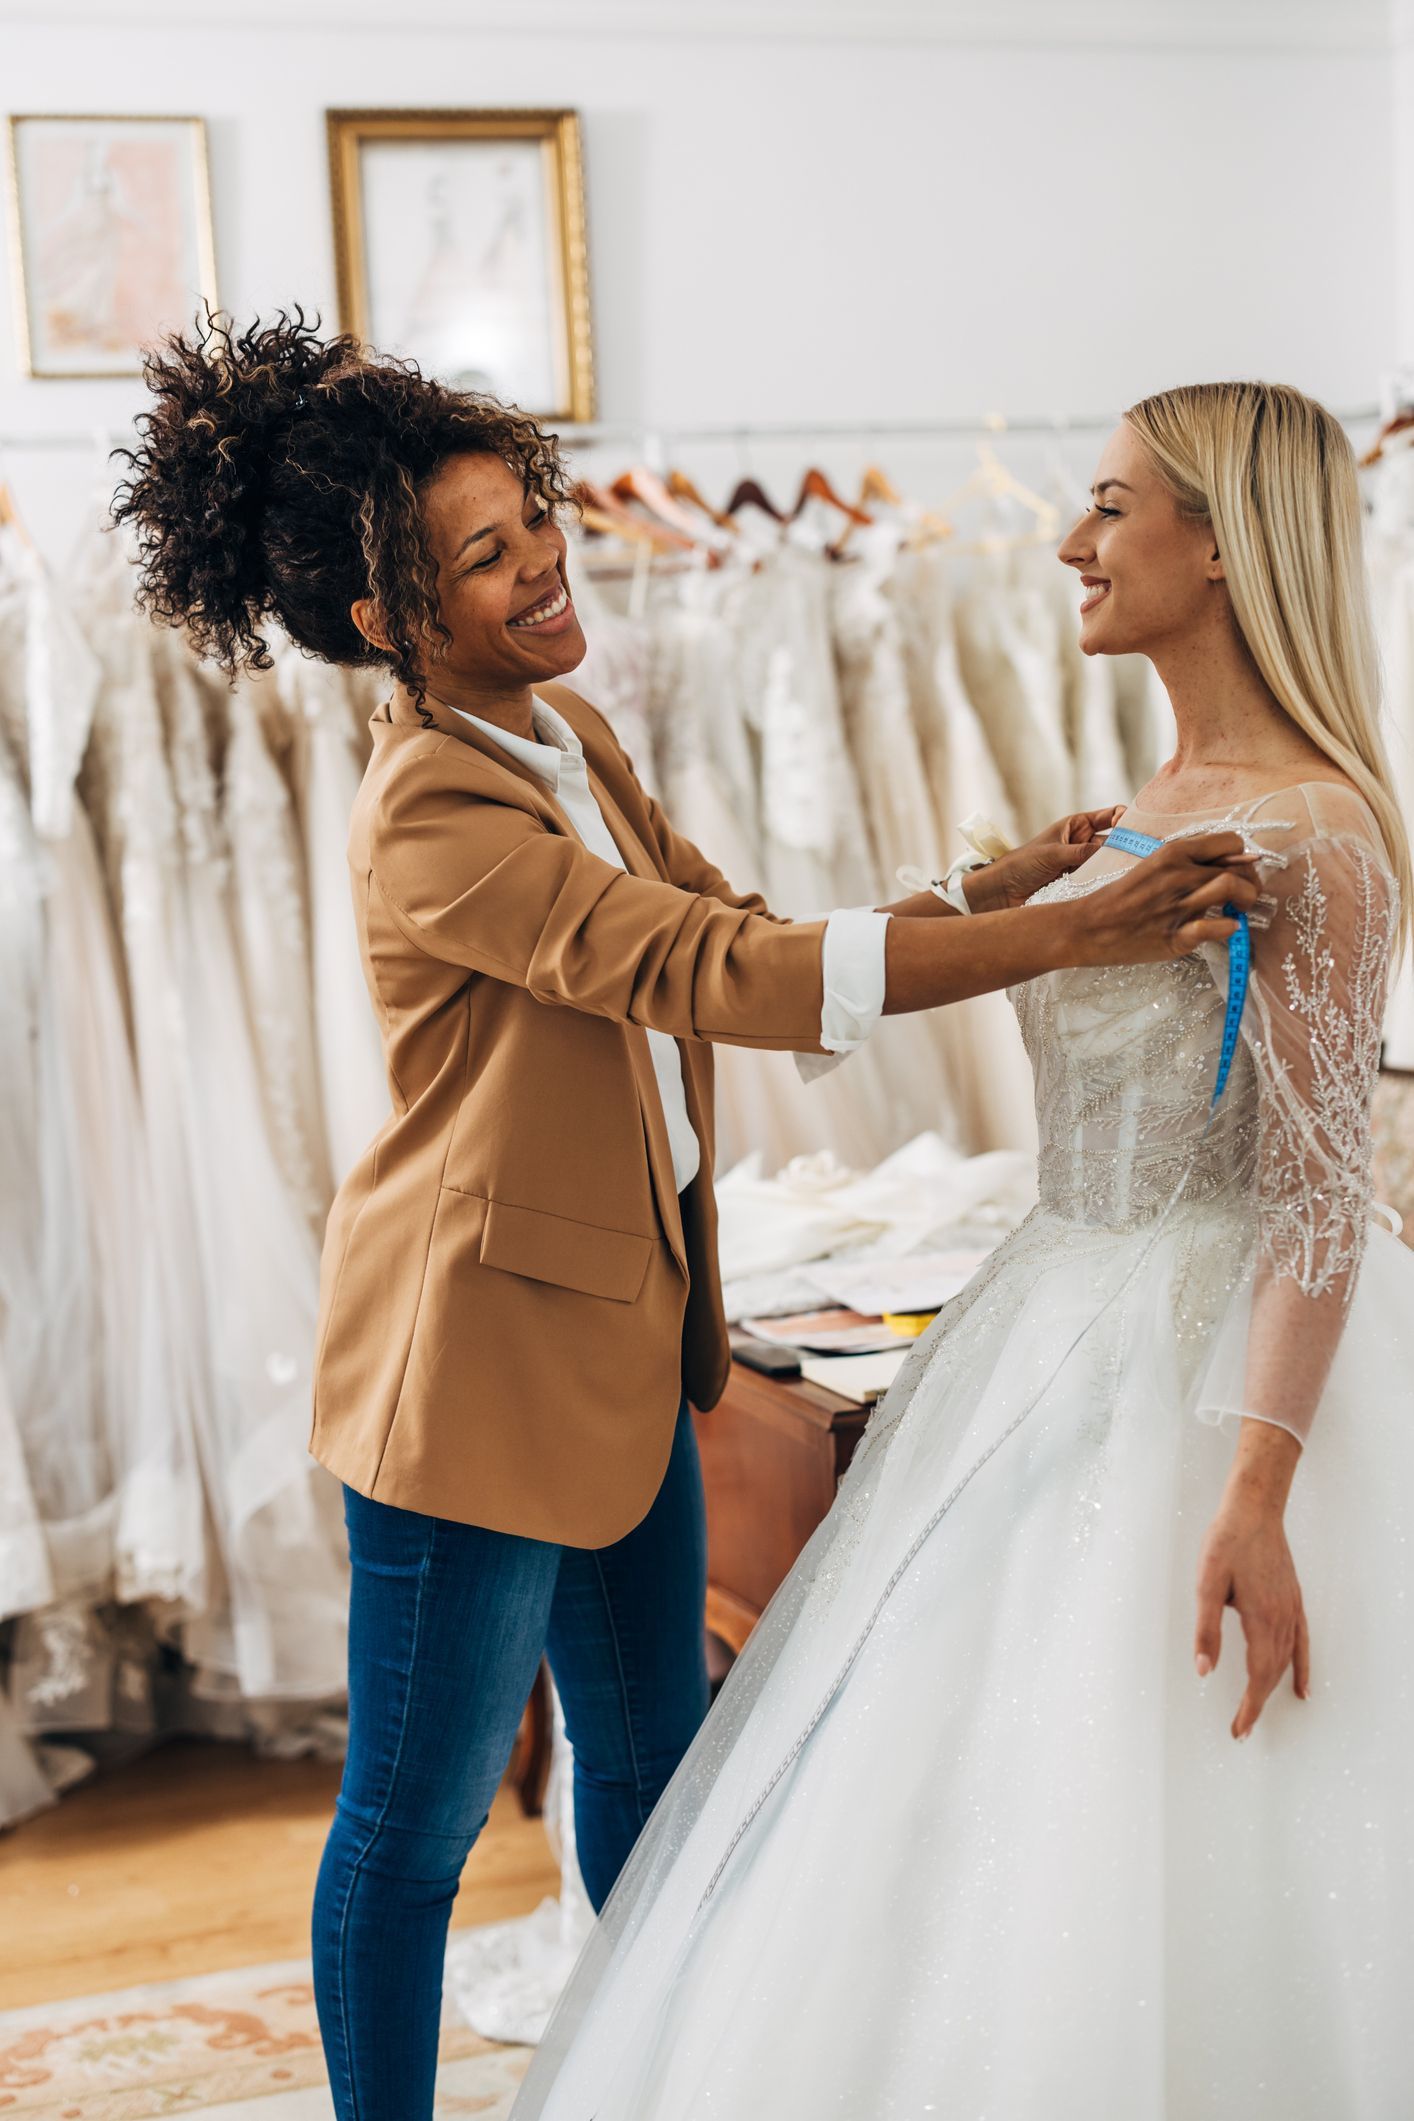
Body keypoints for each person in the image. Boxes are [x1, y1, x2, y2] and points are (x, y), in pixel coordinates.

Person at [111, 316, 1258, 2121]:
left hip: (626, 1331)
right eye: (482, 560)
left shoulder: (556, 727)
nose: (541, 566)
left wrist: (1001, 882)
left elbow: (743, 912)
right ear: (384, 625)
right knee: (407, 1836)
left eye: (531, 520)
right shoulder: (430, 804)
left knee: (664, 1771)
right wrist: (1064, 938)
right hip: (470, 1377)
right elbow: (704, 969)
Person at [510, 382, 1414, 2121]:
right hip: (1050, 1308)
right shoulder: (1146, 801)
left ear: (1218, 543)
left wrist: (1252, 1489)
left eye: (1106, 505)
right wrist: (1011, 894)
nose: (1066, 541)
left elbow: (1312, 1193)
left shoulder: (1313, 829)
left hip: (1208, 1362)